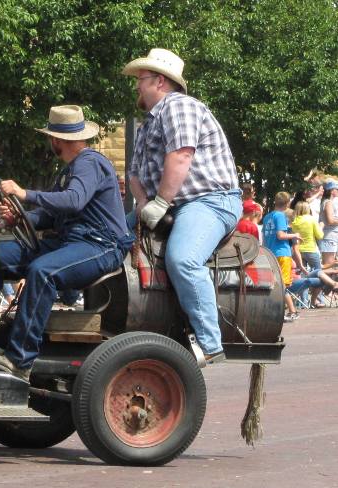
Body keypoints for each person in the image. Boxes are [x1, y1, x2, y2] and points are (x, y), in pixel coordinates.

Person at [0, 105, 133, 380]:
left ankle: (19, 360)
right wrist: (19, 217)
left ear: (55, 139)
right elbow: (50, 215)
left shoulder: (90, 163)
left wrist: (24, 192)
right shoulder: (69, 171)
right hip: (71, 242)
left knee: (43, 271)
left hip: (101, 245)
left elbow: (74, 200)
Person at [123, 48, 241, 363]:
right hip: (169, 204)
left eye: (141, 79)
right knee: (109, 236)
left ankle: (210, 343)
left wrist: (160, 202)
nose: (136, 85)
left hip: (208, 201)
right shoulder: (148, 123)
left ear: (160, 81)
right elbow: (134, 174)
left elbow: (181, 155)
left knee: (183, 260)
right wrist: (146, 203)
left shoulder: (179, 106)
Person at [263, 192, 304, 322]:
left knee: (275, 285)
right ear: (287, 204)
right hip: (282, 253)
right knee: (282, 286)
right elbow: (280, 235)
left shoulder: (267, 217)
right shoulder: (280, 216)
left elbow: (264, 239)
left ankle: (277, 311)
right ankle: (293, 311)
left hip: (271, 253)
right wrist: (295, 235)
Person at [292, 200, 323, 272]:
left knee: (302, 274)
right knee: (318, 273)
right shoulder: (311, 219)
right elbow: (319, 236)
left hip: (298, 252)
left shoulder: (294, 221)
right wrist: (321, 226)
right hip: (310, 250)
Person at [319, 180, 338, 268]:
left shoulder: (326, 201)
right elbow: (330, 220)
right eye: (336, 189)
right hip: (329, 237)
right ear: (332, 191)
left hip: (328, 237)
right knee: (328, 265)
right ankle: (326, 282)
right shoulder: (328, 202)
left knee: (328, 265)